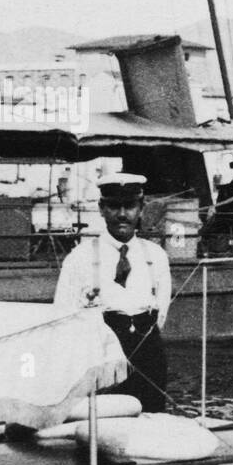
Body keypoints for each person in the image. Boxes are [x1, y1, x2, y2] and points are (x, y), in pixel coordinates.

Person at [53, 173, 171, 411]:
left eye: (129, 206)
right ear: (101, 208)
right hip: (100, 352)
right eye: (114, 206)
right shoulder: (80, 258)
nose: (122, 214)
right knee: (104, 418)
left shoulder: (156, 256)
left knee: (152, 414)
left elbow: (161, 312)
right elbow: (62, 316)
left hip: (147, 351)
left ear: (141, 208)